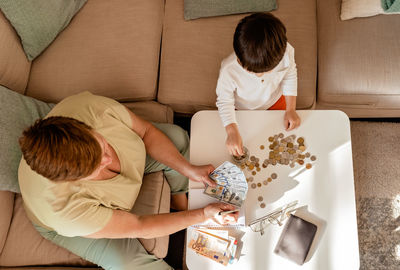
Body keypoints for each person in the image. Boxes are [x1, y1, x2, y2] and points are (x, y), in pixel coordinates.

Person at [18, 91, 238, 270]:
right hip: (61, 221)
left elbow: (147, 131)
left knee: (178, 139)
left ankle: (178, 201)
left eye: (103, 145)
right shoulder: (66, 212)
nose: (108, 158)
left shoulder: (89, 108)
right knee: (130, 264)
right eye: (97, 166)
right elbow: (139, 225)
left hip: (131, 157)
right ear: (76, 180)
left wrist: (188, 169)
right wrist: (202, 214)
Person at [216, 12, 301, 157]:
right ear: (239, 57)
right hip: (241, 108)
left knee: (280, 134)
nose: (258, 76)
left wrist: (291, 109)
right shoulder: (229, 69)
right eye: (252, 71)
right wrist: (231, 131)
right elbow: (224, 100)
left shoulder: (286, 52)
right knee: (247, 139)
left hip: (275, 100)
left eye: (265, 71)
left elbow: (290, 75)